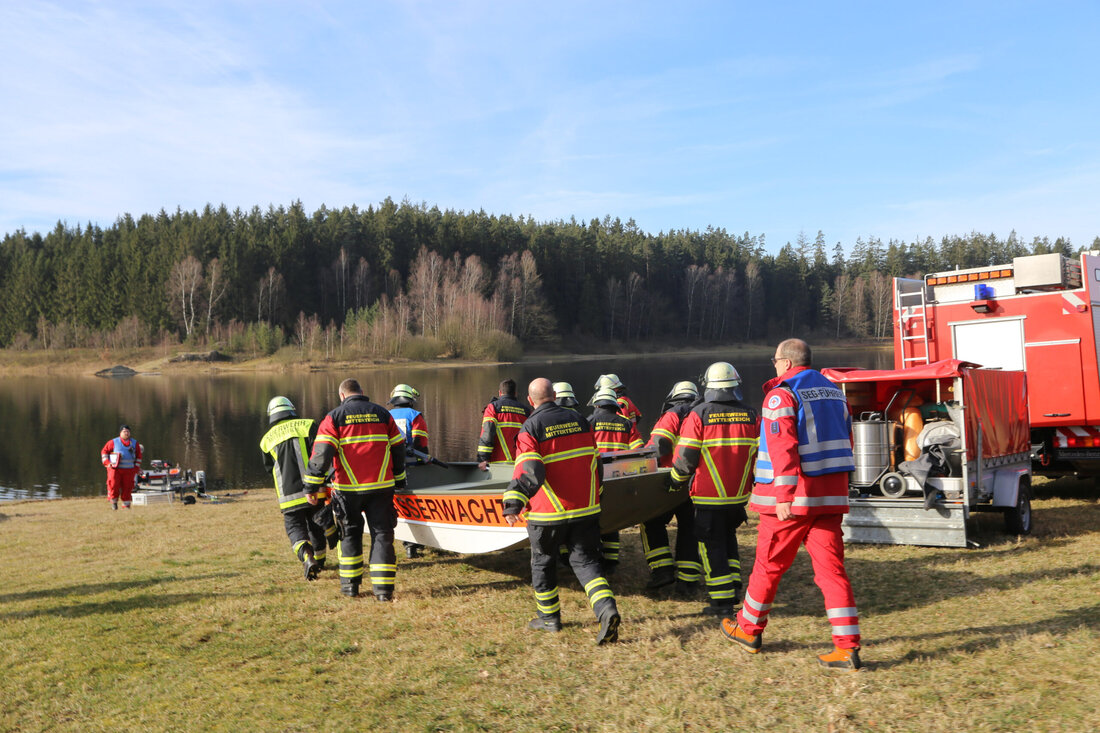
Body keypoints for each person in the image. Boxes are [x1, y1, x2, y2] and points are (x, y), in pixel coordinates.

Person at [723, 339, 862, 671]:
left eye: (774, 360)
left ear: (785, 363)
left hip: (789, 501)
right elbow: (848, 440)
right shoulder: (835, 392)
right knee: (832, 573)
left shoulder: (780, 394)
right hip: (829, 498)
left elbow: (783, 445)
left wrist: (784, 494)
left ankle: (748, 630)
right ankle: (848, 648)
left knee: (768, 566)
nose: (773, 366)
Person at [503, 378, 621, 644]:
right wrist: (597, 493)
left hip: (548, 513)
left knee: (543, 563)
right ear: (555, 395)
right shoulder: (581, 420)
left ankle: (549, 619)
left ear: (530, 401)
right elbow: (595, 462)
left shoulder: (530, 427)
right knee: (587, 563)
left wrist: (513, 502)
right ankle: (606, 609)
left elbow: (530, 471)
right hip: (585, 509)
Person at [670, 364, 759, 616]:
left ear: (709, 385)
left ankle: (721, 602)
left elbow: (685, 458)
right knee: (728, 539)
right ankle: (733, 585)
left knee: (711, 546)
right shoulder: (752, 414)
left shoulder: (700, 414)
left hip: (709, 496)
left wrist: (675, 479)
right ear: (735, 385)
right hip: (738, 496)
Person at [305, 378, 406, 601]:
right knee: (382, 535)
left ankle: (350, 588)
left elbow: (321, 455)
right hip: (381, 488)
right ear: (362, 392)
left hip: (347, 489)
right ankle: (383, 592)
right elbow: (399, 448)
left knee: (349, 534)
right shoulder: (382, 414)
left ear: (342, 396)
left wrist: (311, 486)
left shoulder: (334, 417)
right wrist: (399, 479)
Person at [260, 396, 332, 580]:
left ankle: (308, 558)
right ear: (291, 409)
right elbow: (321, 453)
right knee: (316, 526)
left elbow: (269, 469)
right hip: (314, 490)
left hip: (288, 496)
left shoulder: (266, 440)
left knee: (295, 530)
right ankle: (321, 561)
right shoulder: (308, 425)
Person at [641, 381, 702, 592]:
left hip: (669, 482)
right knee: (690, 528)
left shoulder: (673, 414)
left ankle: (662, 570)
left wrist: (641, 461)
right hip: (697, 483)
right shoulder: (703, 412)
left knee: (651, 521)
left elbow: (658, 446)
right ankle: (688, 580)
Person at [588, 385, 644, 575]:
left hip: (595, 478)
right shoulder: (627, 423)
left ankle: (596, 558)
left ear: (597, 404)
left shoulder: (590, 421)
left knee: (594, 519)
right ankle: (612, 560)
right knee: (613, 517)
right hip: (620, 477)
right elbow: (638, 450)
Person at [388, 383, 429, 559]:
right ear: (410, 400)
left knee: (400, 505)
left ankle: (407, 542)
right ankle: (414, 544)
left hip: (389, 470)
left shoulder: (385, 416)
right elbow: (421, 443)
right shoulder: (415, 416)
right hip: (413, 468)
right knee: (415, 506)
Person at [477, 379, 530, 469]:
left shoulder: (493, 408)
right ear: (515, 393)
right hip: (521, 464)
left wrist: (482, 459)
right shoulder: (526, 411)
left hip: (498, 465)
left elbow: (487, 433)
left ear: (500, 393)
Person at [101, 424, 142, 510]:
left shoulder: (134, 443)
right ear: (120, 433)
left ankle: (126, 505)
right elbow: (104, 452)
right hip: (115, 470)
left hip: (129, 470)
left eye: (128, 431)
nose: (126, 433)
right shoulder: (113, 442)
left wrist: (136, 468)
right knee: (114, 485)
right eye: (124, 431)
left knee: (128, 487)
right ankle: (114, 503)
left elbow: (139, 456)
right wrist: (107, 463)